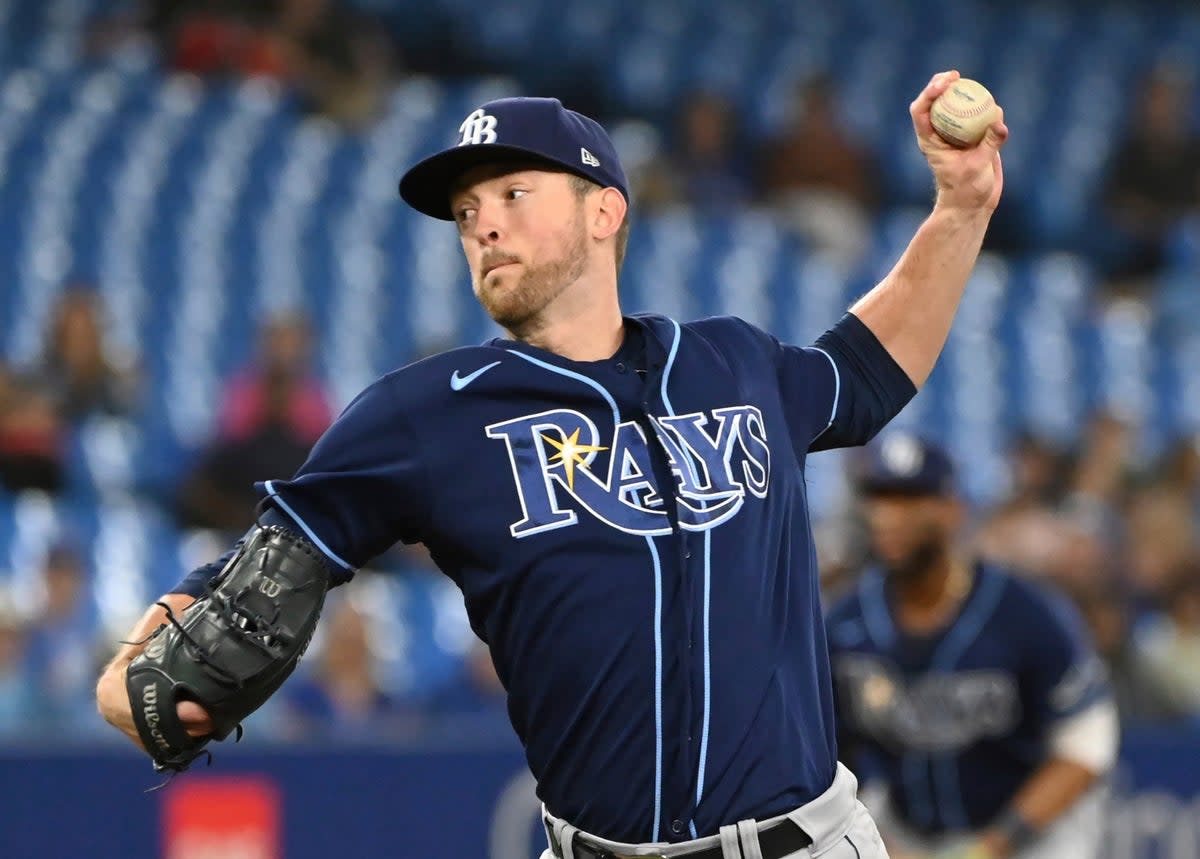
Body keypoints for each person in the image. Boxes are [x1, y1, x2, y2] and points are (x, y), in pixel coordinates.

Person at [98, 71, 1008, 859]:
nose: (482, 225)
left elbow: (864, 372)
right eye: (465, 213)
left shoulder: (733, 361)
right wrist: (134, 660)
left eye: (512, 193)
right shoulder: (428, 413)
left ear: (605, 208)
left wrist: (961, 209)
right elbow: (274, 550)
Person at [826, 433, 1119, 859]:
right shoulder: (846, 621)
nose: (887, 516)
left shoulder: (1024, 612)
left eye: (910, 499)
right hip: (906, 834)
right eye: (878, 498)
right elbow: (829, 763)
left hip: (1027, 832)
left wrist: (992, 847)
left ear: (951, 510)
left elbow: (1086, 743)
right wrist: (880, 845)